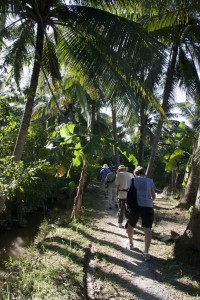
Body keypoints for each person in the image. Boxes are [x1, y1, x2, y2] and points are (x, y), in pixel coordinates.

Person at [126, 166, 156, 261]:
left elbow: (129, 193)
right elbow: (154, 196)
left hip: (136, 206)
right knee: (147, 229)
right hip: (148, 206)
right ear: (143, 173)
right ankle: (146, 252)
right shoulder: (150, 181)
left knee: (130, 225)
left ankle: (131, 243)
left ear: (135, 173)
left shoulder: (133, 180)